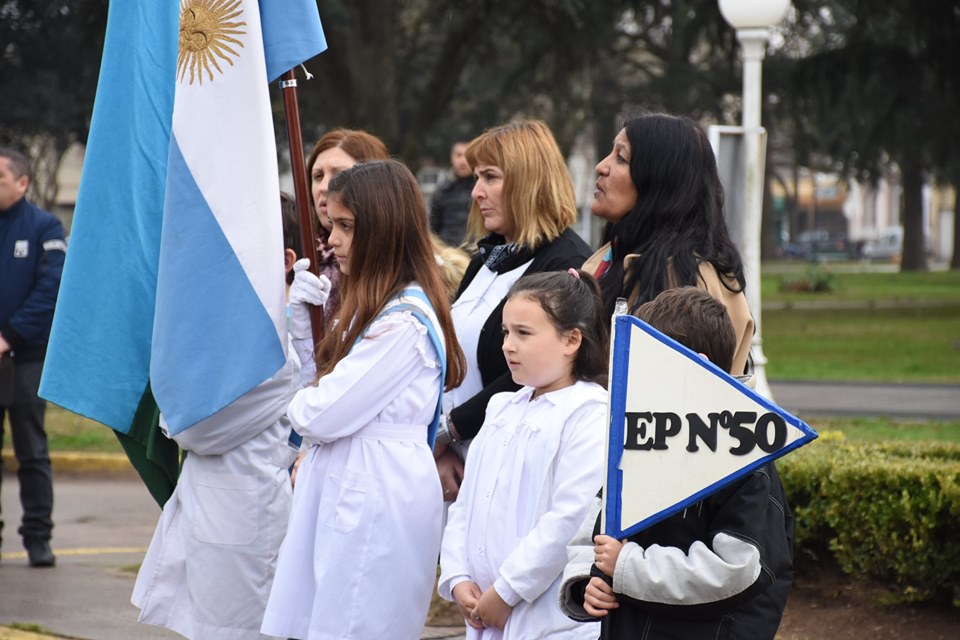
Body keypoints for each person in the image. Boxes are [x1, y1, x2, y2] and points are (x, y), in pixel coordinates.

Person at [261, 160, 467, 640]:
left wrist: (302, 402)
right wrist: (304, 332)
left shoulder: (403, 324)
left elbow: (321, 412)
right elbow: (323, 384)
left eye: (346, 227)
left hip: (375, 493)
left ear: (384, 230)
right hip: (353, 482)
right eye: (332, 225)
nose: (331, 240)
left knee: (355, 624)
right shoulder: (376, 311)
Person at [559, 286, 794, 639]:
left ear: (696, 365)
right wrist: (586, 582)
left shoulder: (744, 458)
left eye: (650, 360)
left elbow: (736, 568)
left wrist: (627, 568)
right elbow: (597, 529)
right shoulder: (644, 437)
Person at [131, 192, 305, 639]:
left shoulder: (280, 349)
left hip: (245, 518)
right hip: (214, 512)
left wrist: (176, 415)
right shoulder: (235, 330)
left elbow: (192, 427)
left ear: (286, 259)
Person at [438, 270, 609, 639]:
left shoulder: (588, 412)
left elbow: (569, 518)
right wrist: (458, 577)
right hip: (485, 614)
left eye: (523, 334)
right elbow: (466, 503)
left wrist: (507, 591)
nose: (507, 346)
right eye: (505, 332)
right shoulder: (501, 407)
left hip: (547, 619)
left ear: (571, 340)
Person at [434, 120, 592, 502]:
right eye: (476, 177)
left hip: (512, 473)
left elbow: (532, 370)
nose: (476, 192)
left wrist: (450, 431)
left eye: (491, 177)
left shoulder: (566, 262)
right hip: (457, 466)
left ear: (529, 180)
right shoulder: (488, 257)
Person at [585, 112, 754, 375]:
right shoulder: (608, 257)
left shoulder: (692, 278)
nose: (601, 166)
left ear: (660, 180)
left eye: (621, 158)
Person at [0, 147, 65, 568]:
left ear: (23, 183)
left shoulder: (45, 226)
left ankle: (37, 538)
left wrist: (7, 336)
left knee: (32, 452)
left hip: (24, 359)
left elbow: (50, 290)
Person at [305, 128, 389, 324]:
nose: (324, 187)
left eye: (338, 174)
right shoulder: (295, 255)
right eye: (317, 176)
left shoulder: (395, 267)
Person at [430, 140, 475, 247]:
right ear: (452, 157)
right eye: (458, 155)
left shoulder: (482, 190)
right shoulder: (441, 190)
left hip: (476, 251)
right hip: (447, 253)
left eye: (467, 155)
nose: (462, 161)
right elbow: (433, 228)